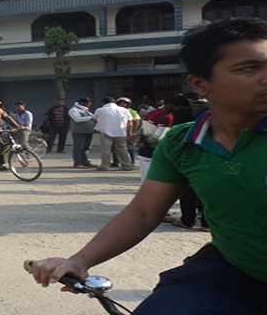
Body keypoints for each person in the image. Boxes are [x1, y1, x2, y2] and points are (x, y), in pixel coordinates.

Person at [25, 18, 267, 315]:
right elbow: (143, 212)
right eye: (249, 68)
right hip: (231, 272)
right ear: (200, 83)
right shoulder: (181, 142)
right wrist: (79, 260)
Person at [170, 91, 210, 231]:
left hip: (189, 152)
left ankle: (188, 220)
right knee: (208, 187)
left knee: (187, 188)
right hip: (213, 152)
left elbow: (174, 133)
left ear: (190, 100)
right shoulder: (217, 109)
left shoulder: (184, 111)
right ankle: (207, 223)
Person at [92, 97, 133, 171]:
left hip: (105, 132)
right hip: (120, 132)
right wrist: (129, 132)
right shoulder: (124, 110)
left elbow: (94, 118)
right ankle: (126, 165)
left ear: (103, 103)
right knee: (122, 150)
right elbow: (130, 122)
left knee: (105, 150)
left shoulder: (100, 110)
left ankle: (105, 165)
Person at [68, 97, 96, 169]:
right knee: (78, 147)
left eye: (89, 104)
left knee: (86, 147)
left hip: (88, 131)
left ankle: (85, 162)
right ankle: (78, 163)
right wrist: (90, 118)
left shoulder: (86, 110)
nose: (88, 106)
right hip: (79, 132)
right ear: (81, 103)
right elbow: (77, 119)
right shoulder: (74, 110)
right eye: (87, 104)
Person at [113, 97, 140, 167]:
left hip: (128, 132)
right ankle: (116, 162)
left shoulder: (133, 112)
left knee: (130, 148)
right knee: (116, 147)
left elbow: (137, 122)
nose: (122, 105)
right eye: (120, 103)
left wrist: (132, 132)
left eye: (124, 103)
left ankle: (132, 162)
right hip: (118, 132)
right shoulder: (115, 111)